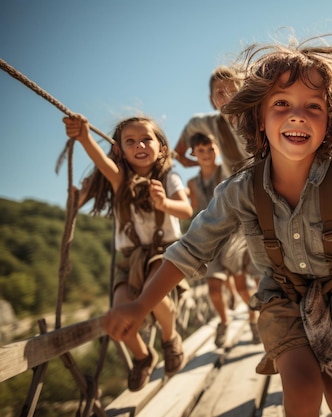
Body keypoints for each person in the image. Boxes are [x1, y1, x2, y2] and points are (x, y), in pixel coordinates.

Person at [103, 36, 332, 417]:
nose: (297, 115)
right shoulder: (240, 191)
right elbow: (190, 250)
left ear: (330, 123)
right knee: (301, 389)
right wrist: (140, 305)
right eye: (281, 104)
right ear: (258, 120)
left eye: (313, 106)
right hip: (282, 296)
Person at [63, 114, 193, 392]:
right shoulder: (119, 181)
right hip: (130, 259)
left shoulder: (169, 177)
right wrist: (84, 137)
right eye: (130, 141)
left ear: (162, 147)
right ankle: (143, 357)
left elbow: (186, 210)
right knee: (119, 310)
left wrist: (164, 203)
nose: (140, 145)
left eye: (146, 138)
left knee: (154, 293)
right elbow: (102, 162)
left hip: (165, 254)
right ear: (119, 150)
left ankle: (170, 339)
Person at [186, 132, 260, 346]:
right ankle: (224, 322)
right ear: (193, 154)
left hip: (234, 238)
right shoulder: (192, 183)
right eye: (201, 151)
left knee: (242, 288)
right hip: (210, 241)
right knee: (213, 287)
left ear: (218, 149)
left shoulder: (228, 172)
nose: (207, 154)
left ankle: (254, 319)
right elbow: (190, 208)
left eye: (211, 149)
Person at [174, 65, 249, 175]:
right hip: (237, 189)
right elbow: (190, 127)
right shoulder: (212, 123)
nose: (228, 98)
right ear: (211, 100)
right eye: (220, 93)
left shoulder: (254, 119)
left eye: (233, 92)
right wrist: (196, 163)